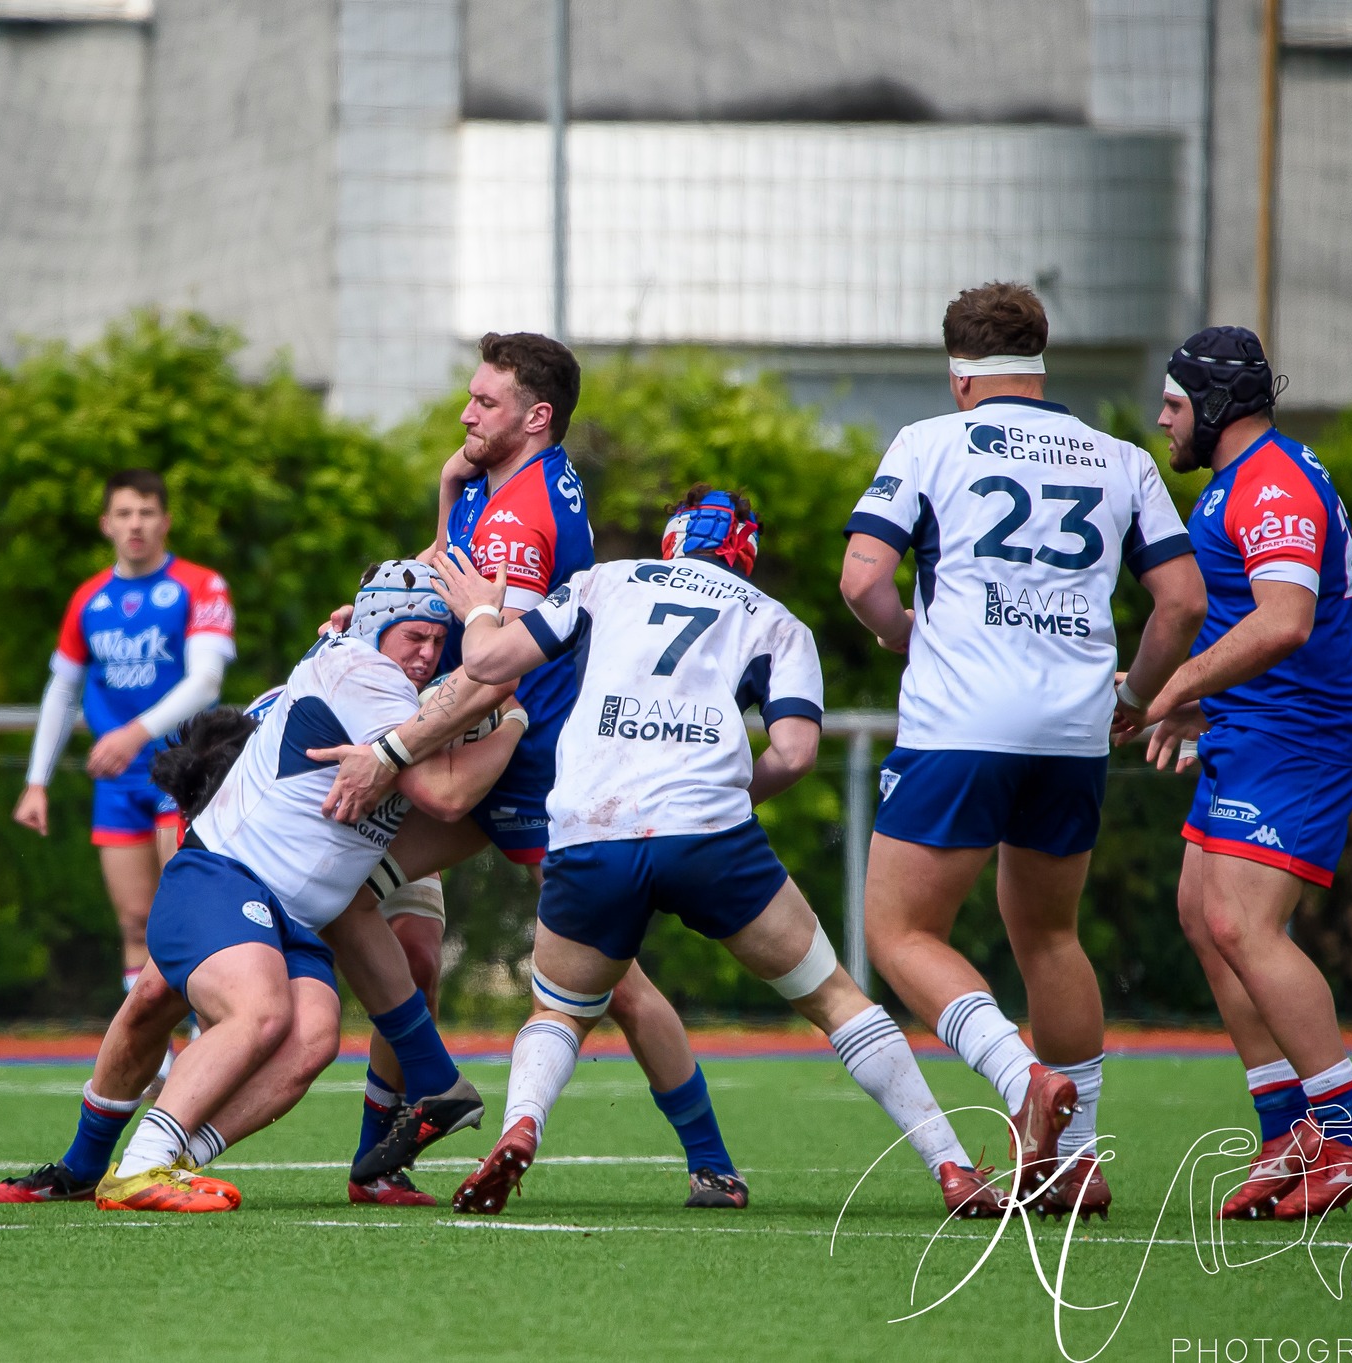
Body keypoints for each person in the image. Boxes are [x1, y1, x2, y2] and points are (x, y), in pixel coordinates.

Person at [431, 487, 1005, 1219]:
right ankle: (952, 1165)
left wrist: (482, 605)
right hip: (710, 835)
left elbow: (485, 661)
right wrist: (729, 797)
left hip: (592, 831)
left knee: (561, 1011)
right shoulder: (776, 621)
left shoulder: (607, 580)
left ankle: (524, 1124)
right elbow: (795, 753)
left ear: (672, 538)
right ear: (746, 551)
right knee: (835, 998)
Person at [321, 332, 754, 1211]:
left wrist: (396, 748)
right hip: (502, 752)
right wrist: (449, 485)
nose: (466, 413)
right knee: (359, 899)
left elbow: (491, 669)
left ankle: (712, 1162)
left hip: (533, 768)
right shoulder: (502, 486)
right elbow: (448, 584)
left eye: (485, 403)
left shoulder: (520, 514)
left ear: (538, 414)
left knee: (613, 984)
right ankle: (383, 1156)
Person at [0, 562, 523, 1211]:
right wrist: (515, 706)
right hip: (228, 875)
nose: (428, 653)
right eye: (416, 637)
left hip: (287, 907)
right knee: (248, 1008)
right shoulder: (366, 675)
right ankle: (133, 1164)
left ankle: (161, 1159)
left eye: (438, 640)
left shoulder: (375, 677)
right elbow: (446, 788)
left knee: (310, 1036)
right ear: (375, 627)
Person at [837, 282, 1207, 1219]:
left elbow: (861, 579)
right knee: (1050, 934)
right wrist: (1135, 695)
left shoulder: (931, 441)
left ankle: (1020, 1077)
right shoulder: (1120, 457)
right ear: (1039, 362)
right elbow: (1184, 603)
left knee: (899, 934)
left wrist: (903, 635)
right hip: (1074, 730)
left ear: (959, 375)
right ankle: (1073, 1160)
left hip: (963, 723)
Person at [1132, 326, 1352, 1220]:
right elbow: (1274, 626)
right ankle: (1289, 1128)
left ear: (1214, 408)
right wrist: (1212, 706)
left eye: (1173, 405)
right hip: (1258, 727)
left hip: (1303, 737)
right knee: (1204, 920)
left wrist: (1177, 686)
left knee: (1242, 924)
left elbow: (1285, 619)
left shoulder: (1272, 483)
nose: (1162, 421)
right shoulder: (1236, 485)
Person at [14, 468, 235, 1001]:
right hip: (116, 782)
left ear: (166, 522)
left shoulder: (201, 585)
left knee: (184, 918)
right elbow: (61, 691)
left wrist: (134, 733)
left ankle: (211, 1040)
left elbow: (205, 681)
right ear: (105, 524)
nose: (135, 524)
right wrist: (36, 781)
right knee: (135, 923)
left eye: (147, 512)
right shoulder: (89, 599)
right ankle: (157, 1065)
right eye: (124, 513)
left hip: (184, 773)